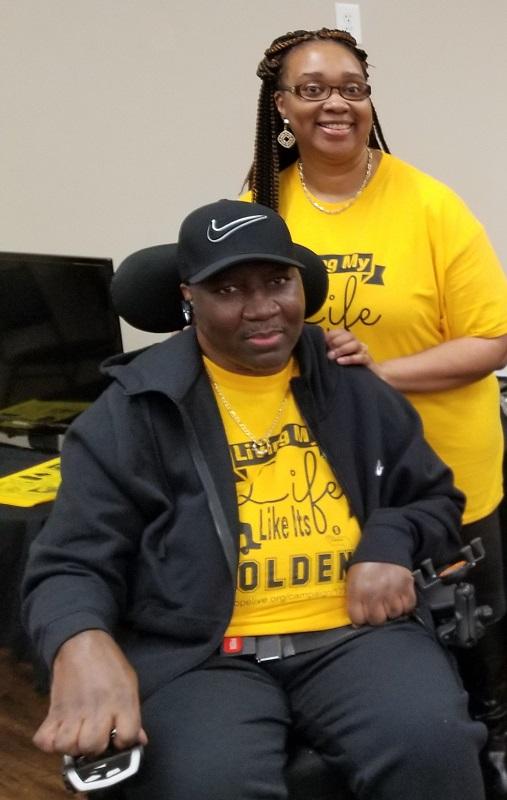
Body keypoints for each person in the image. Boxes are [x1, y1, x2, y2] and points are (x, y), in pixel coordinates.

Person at [22, 199, 486, 800]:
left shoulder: (351, 384)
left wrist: (391, 543)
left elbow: (434, 498)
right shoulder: (131, 413)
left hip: (356, 633)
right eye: (229, 289)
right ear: (189, 297)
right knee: (205, 783)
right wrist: (80, 639)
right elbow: (69, 561)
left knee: (433, 748)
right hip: (205, 654)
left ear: (301, 283)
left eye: (277, 281)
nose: (263, 307)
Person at [243, 27, 507, 792]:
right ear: (281, 105)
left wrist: (375, 374)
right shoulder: (257, 206)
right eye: (314, 87)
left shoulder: (428, 204)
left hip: (448, 477)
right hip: (325, 487)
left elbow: (493, 339)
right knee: (368, 663)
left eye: (352, 88)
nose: (336, 102)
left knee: (471, 665)